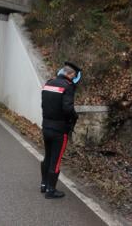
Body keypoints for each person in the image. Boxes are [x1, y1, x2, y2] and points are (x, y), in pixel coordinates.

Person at [40, 61, 82, 199]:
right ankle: (51, 191)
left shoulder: (49, 83)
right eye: (74, 75)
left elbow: (43, 104)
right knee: (56, 160)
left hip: (46, 127)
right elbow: (67, 108)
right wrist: (75, 117)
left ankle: (44, 185)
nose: (74, 78)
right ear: (70, 74)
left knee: (47, 156)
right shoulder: (68, 86)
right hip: (59, 130)